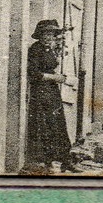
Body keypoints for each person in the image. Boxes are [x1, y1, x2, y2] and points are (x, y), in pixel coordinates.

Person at [24, 19, 77, 174]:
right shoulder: (35, 50)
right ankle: (47, 164)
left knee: (59, 125)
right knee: (45, 127)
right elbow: (34, 74)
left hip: (52, 92)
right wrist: (55, 78)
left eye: (52, 34)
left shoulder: (49, 49)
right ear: (40, 36)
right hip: (40, 93)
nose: (49, 37)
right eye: (46, 34)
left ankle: (65, 161)